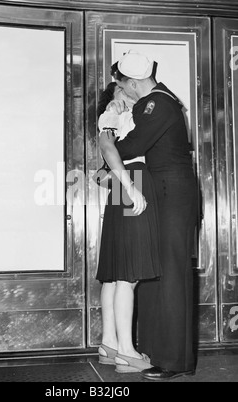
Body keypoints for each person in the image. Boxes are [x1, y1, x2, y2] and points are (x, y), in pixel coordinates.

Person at [101, 50, 198, 380]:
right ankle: (156, 352)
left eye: (122, 85)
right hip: (162, 194)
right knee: (155, 274)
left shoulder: (157, 103)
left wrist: (107, 130)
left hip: (172, 196)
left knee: (171, 275)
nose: (122, 92)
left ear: (133, 82)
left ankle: (174, 361)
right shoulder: (155, 103)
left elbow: (130, 147)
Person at [96, 81, 162, 373]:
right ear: (112, 98)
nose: (126, 93)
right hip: (130, 179)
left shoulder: (119, 117)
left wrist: (115, 183)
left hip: (123, 183)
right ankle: (126, 351)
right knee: (128, 274)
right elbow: (107, 149)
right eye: (120, 91)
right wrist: (130, 186)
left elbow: (100, 173)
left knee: (114, 274)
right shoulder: (113, 114)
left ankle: (109, 344)